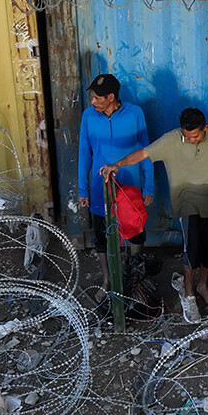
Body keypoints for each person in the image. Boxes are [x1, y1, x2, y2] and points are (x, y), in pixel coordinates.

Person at [101, 108, 208, 318]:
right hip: (185, 202)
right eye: (186, 136)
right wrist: (117, 164)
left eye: (195, 136)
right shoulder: (171, 140)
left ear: (205, 129)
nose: (190, 140)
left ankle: (202, 285)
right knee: (191, 249)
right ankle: (189, 295)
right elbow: (143, 153)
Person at [77, 74, 154, 295]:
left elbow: (146, 151)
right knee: (101, 236)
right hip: (101, 188)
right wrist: (83, 189)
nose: (93, 102)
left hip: (130, 187)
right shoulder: (89, 116)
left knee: (135, 233)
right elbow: (85, 154)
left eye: (96, 98)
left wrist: (149, 186)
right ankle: (107, 279)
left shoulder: (135, 113)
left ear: (111, 97)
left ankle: (134, 280)